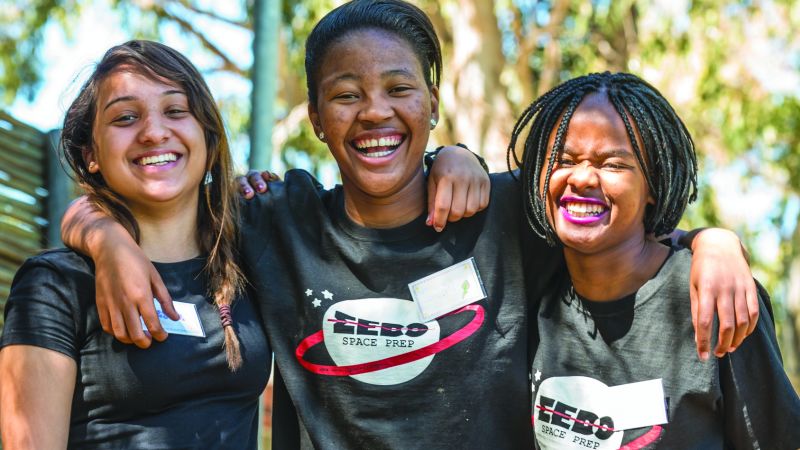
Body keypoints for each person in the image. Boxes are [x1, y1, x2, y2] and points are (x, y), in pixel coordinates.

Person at [60, 1, 757, 449]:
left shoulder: (509, 212)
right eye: (345, 95)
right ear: (316, 120)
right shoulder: (276, 220)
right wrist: (106, 238)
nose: (374, 111)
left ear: (431, 101)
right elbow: (144, 198)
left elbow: (619, 236)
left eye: (398, 89)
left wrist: (712, 243)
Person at [0, 40, 272, 448]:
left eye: (176, 111)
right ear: (91, 154)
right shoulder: (55, 284)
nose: (154, 132)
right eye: (126, 117)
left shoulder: (249, 256)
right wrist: (107, 240)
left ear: (209, 138)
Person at [510, 72, 800, 449]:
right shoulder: (527, 285)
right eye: (564, 160)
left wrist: (716, 242)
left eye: (612, 164)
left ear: (652, 186)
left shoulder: (711, 296)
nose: (581, 177)